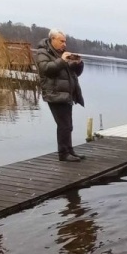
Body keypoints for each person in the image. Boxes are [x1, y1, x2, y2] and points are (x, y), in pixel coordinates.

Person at [35, 29, 85, 163]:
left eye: (65, 41)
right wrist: (62, 61)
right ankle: (63, 154)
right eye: (61, 41)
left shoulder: (62, 54)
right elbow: (46, 69)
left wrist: (79, 64)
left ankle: (69, 150)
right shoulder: (42, 52)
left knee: (68, 125)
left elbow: (75, 73)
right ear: (52, 39)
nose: (64, 44)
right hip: (55, 94)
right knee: (64, 125)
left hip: (66, 94)